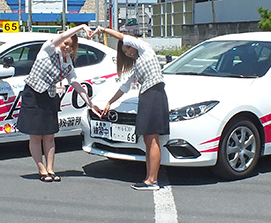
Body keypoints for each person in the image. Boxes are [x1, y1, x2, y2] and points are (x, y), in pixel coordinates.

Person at [91, 26, 169, 191]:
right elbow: (124, 87)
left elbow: (121, 36)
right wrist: (109, 102)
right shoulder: (138, 64)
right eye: (124, 52)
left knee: (152, 139)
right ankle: (149, 178)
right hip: (147, 96)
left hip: (154, 93)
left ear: (133, 43)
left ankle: (152, 180)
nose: (127, 52)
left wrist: (103, 30)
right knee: (148, 139)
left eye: (127, 48)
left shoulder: (145, 48)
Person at [17, 24, 96, 183]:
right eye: (65, 43)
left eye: (71, 46)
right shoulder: (48, 49)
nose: (67, 47)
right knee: (36, 135)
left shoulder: (68, 62)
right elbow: (59, 38)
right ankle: (42, 169)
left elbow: (75, 83)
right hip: (33, 94)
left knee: (50, 135)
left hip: (49, 96)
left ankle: (51, 168)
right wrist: (81, 27)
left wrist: (90, 103)